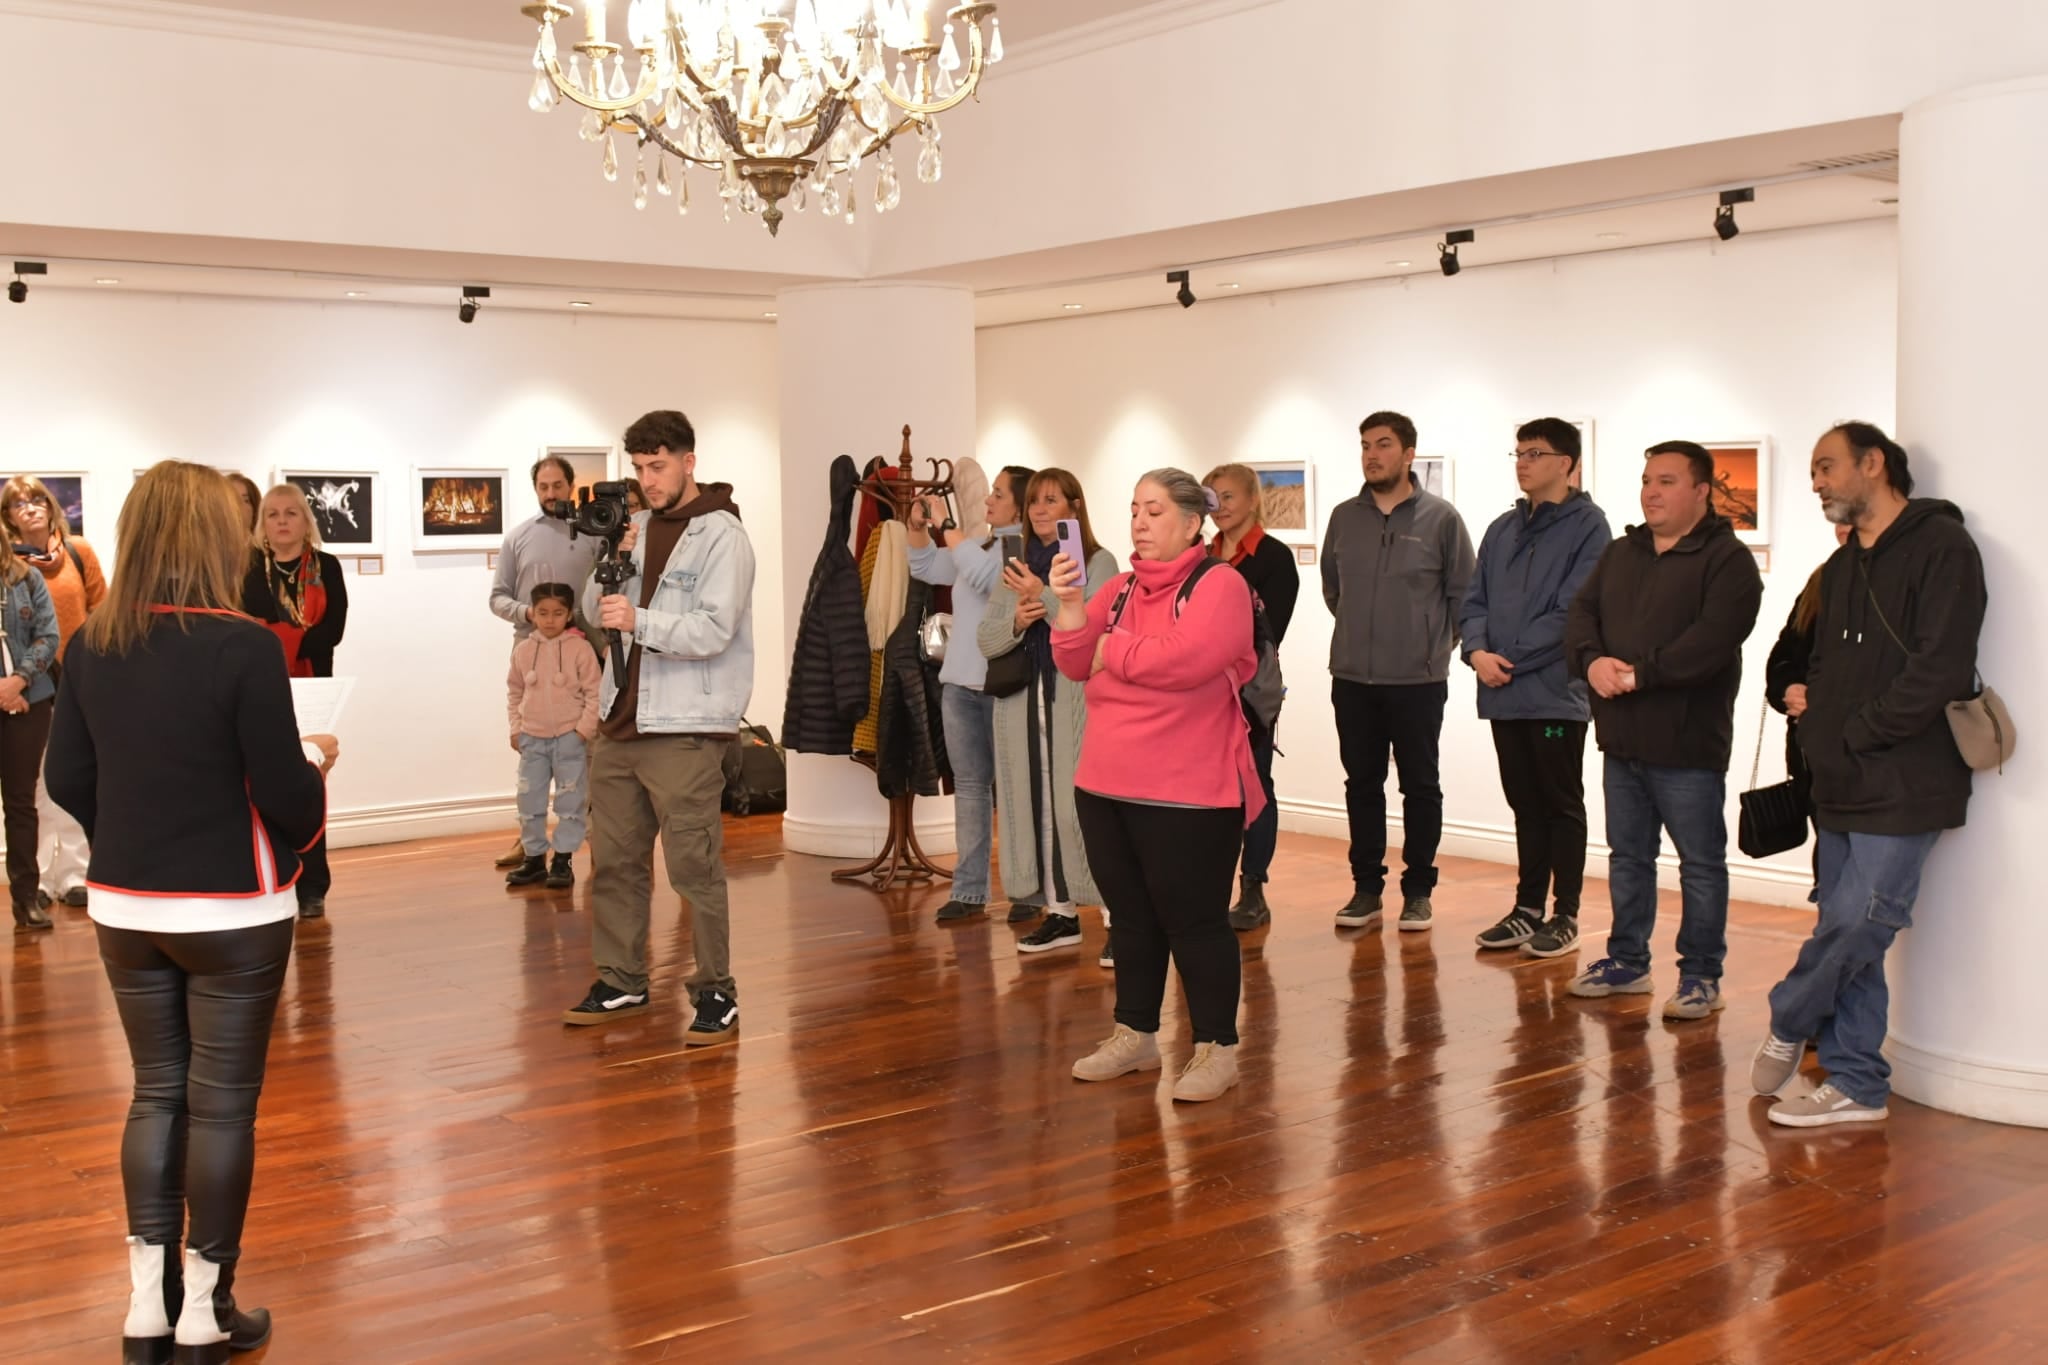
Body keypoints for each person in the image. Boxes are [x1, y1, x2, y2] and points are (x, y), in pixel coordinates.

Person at [46, 460, 338, 1364]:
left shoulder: (92, 643)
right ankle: (206, 1312)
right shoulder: (243, 643)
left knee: (155, 1093)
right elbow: (283, 789)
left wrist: (132, 843)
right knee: (220, 1108)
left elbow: (67, 778)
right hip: (233, 909)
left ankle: (145, 1309)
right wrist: (316, 766)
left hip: (127, 905)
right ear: (217, 538)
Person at [1752, 423, 1986, 1127]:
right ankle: (1856, 1081)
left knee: (1864, 919)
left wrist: (1858, 730)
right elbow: (1820, 662)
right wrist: (1827, 736)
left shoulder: (1944, 547)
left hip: (1908, 773)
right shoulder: (1847, 559)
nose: (1816, 481)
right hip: (1840, 773)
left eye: (1826, 466)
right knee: (1844, 923)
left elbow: (1939, 668)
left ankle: (1790, 1014)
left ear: (1874, 463)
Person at [1054, 469, 1264, 1101]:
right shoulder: (1116, 589)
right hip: (1105, 784)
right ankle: (1136, 1035)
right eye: (1135, 511)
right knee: (1133, 920)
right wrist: (1069, 609)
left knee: (1194, 921)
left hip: (1190, 793)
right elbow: (1071, 662)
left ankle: (1216, 1047)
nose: (1139, 523)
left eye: (1154, 512)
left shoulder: (1219, 584)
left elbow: (1184, 662)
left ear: (1192, 522)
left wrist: (1109, 653)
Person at [563, 410, 755, 1043]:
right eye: (639, 468)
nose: (648, 480)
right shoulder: (634, 526)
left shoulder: (722, 535)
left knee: (693, 867)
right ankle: (621, 980)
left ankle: (715, 992)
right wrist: (611, 556)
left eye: (658, 466)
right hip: (622, 723)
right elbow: (595, 613)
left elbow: (713, 629)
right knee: (613, 864)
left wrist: (640, 620)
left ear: (688, 462)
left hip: (686, 725)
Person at [1564, 442, 1763, 1019]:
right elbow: (1581, 614)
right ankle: (1627, 961)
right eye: (1648, 480)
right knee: (1628, 857)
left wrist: (1640, 674)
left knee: (1699, 865)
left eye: (1667, 481)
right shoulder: (1623, 552)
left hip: (1687, 745)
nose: (1651, 491)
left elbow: (1714, 640)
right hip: (1621, 739)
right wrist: (1591, 661)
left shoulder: (1728, 561)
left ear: (1702, 491)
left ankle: (1701, 975)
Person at [1320, 411, 1476, 933]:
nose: (1371, 454)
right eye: (1365, 445)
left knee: (1420, 787)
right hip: (1352, 679)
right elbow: (1333, 590)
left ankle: (1418, 891)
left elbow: (1463, 597)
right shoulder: (1344, 517)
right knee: (1361, 785)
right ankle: (1366, 889)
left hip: (1418, 681)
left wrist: (1431, 647)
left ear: (1409, 453)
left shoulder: (1442, 519)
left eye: (1383, 445)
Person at [1462, 420, 1613, 957]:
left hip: (1553, 694)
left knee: (1559, 802)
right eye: (1519, 452)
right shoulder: (1502, 528)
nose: (1522, 462)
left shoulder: (1590, 526)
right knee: (1524, 801)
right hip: (1502, 689)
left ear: (1568, 464)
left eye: (1535, 453)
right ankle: (1527, 909)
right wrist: (1477, 652)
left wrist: (1510, 658)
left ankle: (1565, 913)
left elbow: (1574, 609)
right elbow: (1473, 599)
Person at [978, 468, 1118, 958]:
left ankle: (1115, 918)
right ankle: (1060, 916)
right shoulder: (1014, 567)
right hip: (1025, 709)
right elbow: (987, 639)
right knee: (1038, 808)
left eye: (1051, 499)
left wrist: (1043, 594)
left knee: (1082, 813)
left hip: (1076, 709)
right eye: (1034, 500)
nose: (1039, 509)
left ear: (1074, 507)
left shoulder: (1099, 563)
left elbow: (1093, 632)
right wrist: (1017, 619)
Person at [907, 464, 1033, 924]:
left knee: (1017, 792)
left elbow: (983, 577)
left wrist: (946, 526)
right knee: (972, 790)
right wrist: (919, 530)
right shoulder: (976, 546)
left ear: (1020, 504)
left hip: (1004, 690)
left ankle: (1028, 891)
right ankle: (970, 891)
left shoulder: (1021, 550)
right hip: (959, 687)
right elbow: (923, 566)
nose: (988, 500)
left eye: (998, 494)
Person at [487, 455, 603, 870]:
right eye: (543, 487)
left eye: (557, 485)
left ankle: (585, 845)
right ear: (535, 489)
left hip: (584, 653)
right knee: (533, 766)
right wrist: (529, 615)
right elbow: (497, 597)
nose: (551, 493)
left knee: (584, 757)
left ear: (571, 486)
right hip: (532, 656)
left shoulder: (593, 535)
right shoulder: (518, 538)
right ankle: (531, 845)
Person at [241, 484, 349, 920]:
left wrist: (280, 636)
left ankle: (312, 885)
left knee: (311, 782)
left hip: (314, 685)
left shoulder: (327, 566)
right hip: (259, 686)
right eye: (272, 514)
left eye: (291, 513)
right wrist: (291, 638)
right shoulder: (249, 567)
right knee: (265, 781)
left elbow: (333, 630)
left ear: (307, 520)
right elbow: (246, 627)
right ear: (262, 524)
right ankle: (274, 875)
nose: (282, 521)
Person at [2, 474, 109, 911]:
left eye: (36, 499)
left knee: (73, 774)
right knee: (32, 785)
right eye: (17, 503)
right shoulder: (12, 568)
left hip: (80, 677)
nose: (29, 507)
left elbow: (102, 608)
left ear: (50, 505)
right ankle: (42, 878)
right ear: (7, 518)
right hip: (33, 686)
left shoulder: (79, 553)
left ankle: (77, 872)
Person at [1203, 463, 1301, 931]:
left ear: (1251, 501)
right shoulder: (1199, 556)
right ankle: (1211, 885)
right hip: (1199, 692)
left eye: (1229, 496)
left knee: (1254, 789)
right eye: (1212, 498)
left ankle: (1253, 889)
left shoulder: (1274, 558)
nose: (1219, 507)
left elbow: (1266, 636)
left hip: (1248, 693)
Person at [1764, 521, 1854, 857]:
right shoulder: (1821, 581)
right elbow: (1783, 656)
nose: (1844, 527)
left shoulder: (1894, 588)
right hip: (1810, 753)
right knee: (1829, 858)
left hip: (1859, 751)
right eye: (1840, 519)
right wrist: (1787, 688)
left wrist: (1822, 701)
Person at [506, 582, 602, 891]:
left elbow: (595, 692)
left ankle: (563, 860)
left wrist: (582, 731)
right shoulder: (523, 651)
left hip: (568, 739)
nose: (550, 620)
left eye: (558, 613)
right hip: (532, 739)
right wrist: (516, 728)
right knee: (529, 799)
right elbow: (514, 691)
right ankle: (534, 858)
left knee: (570, 801)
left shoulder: (580, 649)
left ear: (568, 614)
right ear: (533, 614)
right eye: (543, 613)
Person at [0, 536, 60, 932]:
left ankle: (26, 898)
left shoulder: (28, 579)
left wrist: (17, 682)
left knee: (21, 805)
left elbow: (48, 636)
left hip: (27, 701)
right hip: (12, 699)